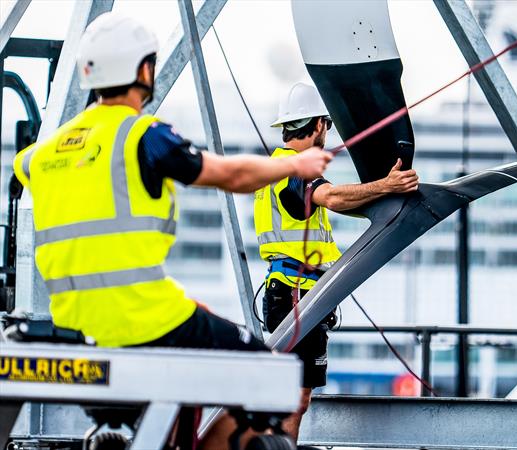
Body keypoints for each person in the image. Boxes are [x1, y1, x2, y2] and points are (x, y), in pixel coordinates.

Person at [12, 12, 331, 449]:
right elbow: (229, 174)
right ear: (144, 71)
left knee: (195, 347)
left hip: (75, 325)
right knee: (271, 375)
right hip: (143, 319)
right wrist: (295, 164)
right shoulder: (142, 135)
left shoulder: (42, 154)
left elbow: (24, 167)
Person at [255, 82, 419, 439]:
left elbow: (332, 199)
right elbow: (330, 197)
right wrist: (386, 187)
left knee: (295, 397)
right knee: (293, 398)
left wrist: (379, 193)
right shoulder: (294, 167)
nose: (327, 132)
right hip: (296, 296)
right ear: (316, 126)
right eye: (325, 125)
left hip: (296, 294)